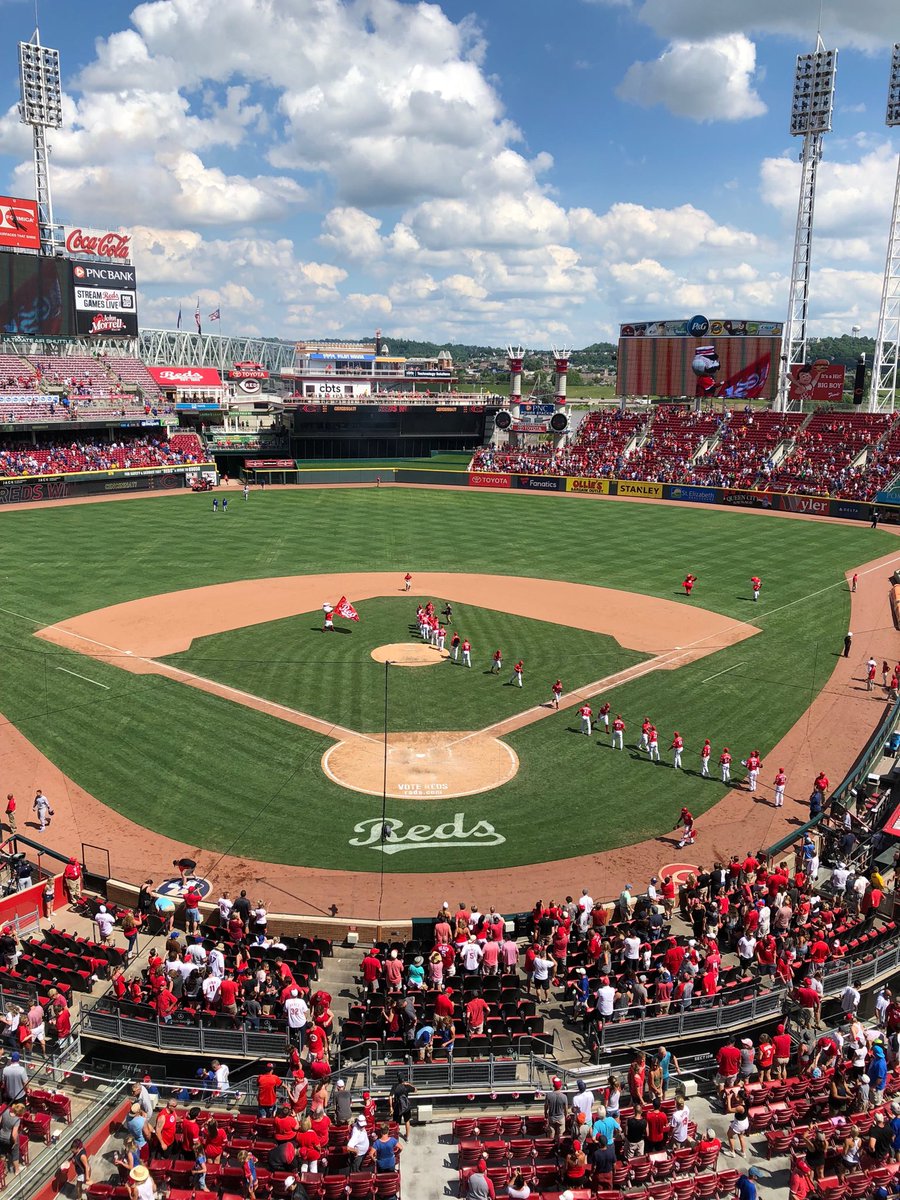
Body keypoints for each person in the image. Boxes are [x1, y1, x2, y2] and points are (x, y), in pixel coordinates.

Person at [390, 1075, 414, 1141]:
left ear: (398, 1079)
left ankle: (396, 1137)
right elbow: (415, 1090)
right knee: (407, 1121)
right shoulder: (407, 1086)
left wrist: (391, 1107)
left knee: (397, 1123)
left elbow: (390, 1096)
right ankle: (407, 1137)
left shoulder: (395, 1086)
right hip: (406, 1107)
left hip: (397, 1107)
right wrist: (409, 1084)